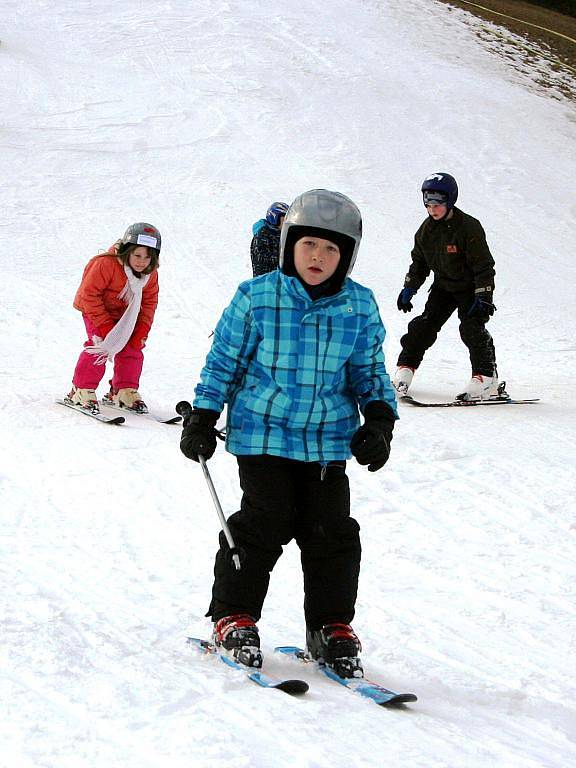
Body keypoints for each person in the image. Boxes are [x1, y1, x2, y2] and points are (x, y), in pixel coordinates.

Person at [180, 189, 398, 679]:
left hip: (326, 442)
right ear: (289, 246)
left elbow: (369, 371)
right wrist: (203, 415)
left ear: (347, 256)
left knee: (332, 534)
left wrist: (380, 420)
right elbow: (224, 363)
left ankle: (331, 626)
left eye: (331, 249)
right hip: (263, 435)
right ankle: (232, 614)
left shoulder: (358, 306)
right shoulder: (256, 297)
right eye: (308, 246)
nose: (318, 257)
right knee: (264, 523)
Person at [393, 172, 498, 401]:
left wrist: (484, 295)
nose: (432, 209)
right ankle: (404, 370)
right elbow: (419, 263)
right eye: (428, 203)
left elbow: (483, 265)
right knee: (424, 326)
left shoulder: (468, 227)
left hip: (471, 288)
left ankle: (486, 378)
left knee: (472, 329)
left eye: (437, 203)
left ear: (450, 200)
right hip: (444, 287)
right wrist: (409, 288)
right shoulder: (426, 231)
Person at [65, 222, 161, 414]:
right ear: (127, 251)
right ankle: (81, 389)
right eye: (137, 255)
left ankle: (123, 390)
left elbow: (149, 303)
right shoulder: (105, 264)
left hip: (126, 315)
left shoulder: (150, 275)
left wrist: (141, 330)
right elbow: (89, 295)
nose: (142, 262)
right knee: (100, 344)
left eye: (148, 257)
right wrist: (104, 325)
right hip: (96, 310)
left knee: (133, 347)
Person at [250, 201, 289, 276]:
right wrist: (287, 258)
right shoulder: (263, 234)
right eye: (284, 219)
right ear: (275, 218)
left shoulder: (281, 235)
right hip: (265, 282)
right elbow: (262, 257)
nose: (286, 223)